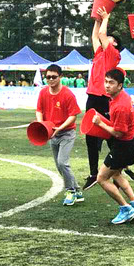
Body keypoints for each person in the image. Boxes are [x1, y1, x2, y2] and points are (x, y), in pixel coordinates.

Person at [91, 69, 134, 224]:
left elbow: (118, 133)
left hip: (123, 146)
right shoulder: (121, 97)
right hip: (130, 143)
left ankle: (126, 209)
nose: (107, 85)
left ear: (120, 85)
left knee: (101, 178)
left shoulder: (120, 106)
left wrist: (100, 123)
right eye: (106, 81)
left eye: (111, 83)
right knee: (115, 174)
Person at [82, 6, 124, 191]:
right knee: (90, 136)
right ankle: (93, 173)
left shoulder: (114, 55)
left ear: (115, 45)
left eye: (111, 39)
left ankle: (118, 169)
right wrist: (97, 20)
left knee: (110, 136)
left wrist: (106, 17)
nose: (108, 39)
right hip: (92, 97)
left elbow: (101, 34)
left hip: (104, 99)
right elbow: (95, 36)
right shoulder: (99, 54)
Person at [36, 64, 83, 206]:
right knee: (59, 165)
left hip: (66, 133)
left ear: (60, 77)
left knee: (62, 162)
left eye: (54, 77)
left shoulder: (67, 94)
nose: (50, 80)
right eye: (48, 77)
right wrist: (41, 125)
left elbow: (73, 115)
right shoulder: (43, 92)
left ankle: (70, 191)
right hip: (52, 133)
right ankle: (77, 189)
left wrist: (60, 128)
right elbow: (39, 110)